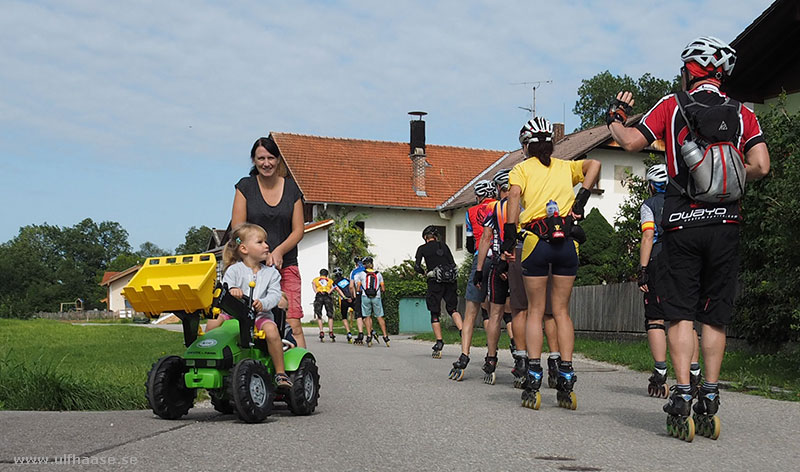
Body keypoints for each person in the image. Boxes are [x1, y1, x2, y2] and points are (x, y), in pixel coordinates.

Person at [607, 36, 769, 439]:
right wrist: (726, 179)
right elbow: (761, 165)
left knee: (679, 312)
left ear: (690, 70)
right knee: (715, 315)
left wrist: (615, 115)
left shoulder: (671, 104)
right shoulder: (743, 112)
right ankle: (710, 396)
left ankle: (681, 394)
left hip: (681, 222)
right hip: (726, 222)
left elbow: (628, 142)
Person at [504, 116, 601, 410]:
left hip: (536, 241)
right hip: (566, 243)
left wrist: (509, 237)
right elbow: (594, 164)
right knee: (560, 311)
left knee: (535, 310)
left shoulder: (520, 169)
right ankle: (566, 371)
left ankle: (533, 372)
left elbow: (514, 198)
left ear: (525, 146)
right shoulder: (565, 166)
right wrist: (580, 200)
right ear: (551, 144)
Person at [231, 136, 307, 348]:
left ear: (278, 159)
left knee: (292, 323)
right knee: (251, 321)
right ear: (254, 160)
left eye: (271, 158)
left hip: (286, 265)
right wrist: (254, 256)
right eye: (261, 158)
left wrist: (279, 251)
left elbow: (298, 230)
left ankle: (301, 372)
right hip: (252, 269)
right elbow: (238, 231)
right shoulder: (245, 187)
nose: (266, 163)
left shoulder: (292, 189)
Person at [638, 164, 702, 398]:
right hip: (687, 260)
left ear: (651, 185)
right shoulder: (687, 201)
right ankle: (694, 372)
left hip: (659, 259)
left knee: (655, 318)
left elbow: (648, 235)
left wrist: (642, 269)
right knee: (686, 318)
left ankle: (660, 372)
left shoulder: (649, 205)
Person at [206, 223, 292, 388]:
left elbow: (275, 295)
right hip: (232, 314)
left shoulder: (271, 273)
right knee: (212, 324)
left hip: (260, 316)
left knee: (272, 331)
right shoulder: (233, 270)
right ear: (244, 249)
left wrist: (264, 303)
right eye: (260, 242)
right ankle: (210, 359)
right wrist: (232, 290)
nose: (266, 245)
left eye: (265, 242)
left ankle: (281, 373)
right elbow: (225, 288)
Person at [451, 180, 496, 376]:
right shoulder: (502, 206)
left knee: (471, 312)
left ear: (478, 195)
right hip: (502, 258)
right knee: (502, 313)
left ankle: (464, 356)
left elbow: (470, 245)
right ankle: (506, 355)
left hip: (481, 258)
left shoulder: (471, 212)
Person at [474, 169, 514, 384]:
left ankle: (491, 358)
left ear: (498, 188)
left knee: (495, 313)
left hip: (499, 265)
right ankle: (520, 355)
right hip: (519, 266)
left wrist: (480, 269)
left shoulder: (496, 208)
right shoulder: (526, 206)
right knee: (519, 314)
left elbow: (486, 239)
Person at [414, 225, 460, 360]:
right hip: (450, 281)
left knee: (435, 312)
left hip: (434, 281)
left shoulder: (422, 249)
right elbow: (452, 263)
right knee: (452, 309)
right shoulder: (444, 246)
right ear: (435, 236)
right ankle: (464, 332)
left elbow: (417, 266)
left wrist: (424, 273)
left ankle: (439, 342)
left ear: (425, 238)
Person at [353, 257, 389, 347]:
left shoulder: (361, 274)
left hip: (365, 297)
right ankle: (385, 336)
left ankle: (369, 336)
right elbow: (383, 288)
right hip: (376, 297)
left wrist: (359, 292)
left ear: (364, 265)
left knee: (367, 317)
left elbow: (358, 288)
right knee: (380, 316)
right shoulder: (378, 274)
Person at [331, 267, 356, 343]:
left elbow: (338, 290)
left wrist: (345, 297)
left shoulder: (334, 282)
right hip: (352, 298)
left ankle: (348, 333)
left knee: (344, 317)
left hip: (344, 300)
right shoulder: (347, 280)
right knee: (359, 315)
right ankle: (370, 330)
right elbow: (352, 287)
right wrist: (353, 297)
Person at [311, 268, 336, 342]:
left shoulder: (316, 279)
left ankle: (321, 331)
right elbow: (333, 287)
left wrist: (317, 292)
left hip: (319, 296)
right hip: (327, 296)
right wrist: (328, 292)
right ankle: (331, 331)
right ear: (327, 274)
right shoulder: (330, 281)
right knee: (330, 314)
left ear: (320, 274)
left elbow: (314, 285)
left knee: (319, 315)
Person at [349, 257, 367, 344]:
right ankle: (371, 331)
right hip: (370, 294)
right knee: (367, 314)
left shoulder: (354, 272)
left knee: (359, 314)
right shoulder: (367, 270)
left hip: (360, 294)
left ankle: (360, 333)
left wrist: (353, 296)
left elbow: (351, 286)